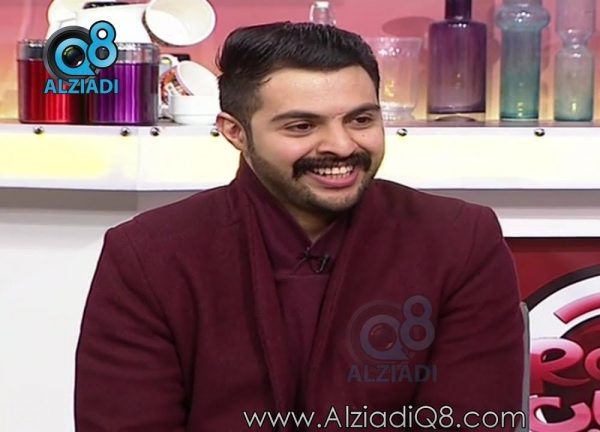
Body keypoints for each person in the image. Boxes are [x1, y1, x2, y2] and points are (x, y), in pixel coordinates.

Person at [74, 22, 525, 431]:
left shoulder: (459, 240)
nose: (341, 146)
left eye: (361, 120)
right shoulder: (149, 256)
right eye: (302, 126)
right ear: (235, 132)